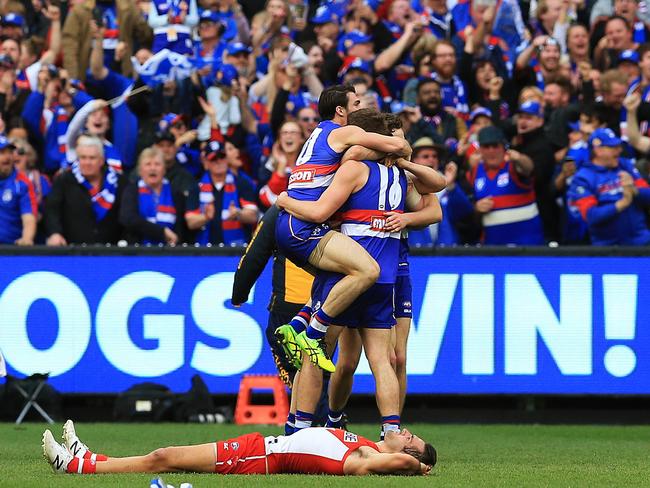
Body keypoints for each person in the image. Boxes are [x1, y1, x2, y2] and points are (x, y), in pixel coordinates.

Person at [277, 109, 442, 439]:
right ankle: (391, 431)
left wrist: (285, 201)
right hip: (385, 277)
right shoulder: (400, 178)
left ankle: (299, 432)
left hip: (348, 271)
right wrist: (401, 156)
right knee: (382, 359)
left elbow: (322, 209)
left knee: (317, 352)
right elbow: (438, 188)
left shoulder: (350, 169)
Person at [274, 84, 413, 374]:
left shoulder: (316, 136)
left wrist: (286, 200)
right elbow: (401, 147)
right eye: (356, 102)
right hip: (304, 224)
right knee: (367, 270)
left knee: (336, 279)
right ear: (341, 110)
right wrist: (284, 201)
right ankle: (312, 334)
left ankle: (298, 324)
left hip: (290, 227)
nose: (361, 107)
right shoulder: (344, 132)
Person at [43, 420, 436, 476]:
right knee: (162, 456)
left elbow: (397, 461)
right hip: (258, 446)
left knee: (164, 458)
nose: (404, 433)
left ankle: (74, 467)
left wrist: (417, 469)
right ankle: (86, 456)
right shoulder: (363, 442)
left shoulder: (366, 459)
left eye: (411, 439)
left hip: (257, 457)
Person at [568, 127, 650, 245]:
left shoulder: (625, 165)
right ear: (598, 150)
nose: (619, 151)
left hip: (642, 240)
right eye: (613, 148)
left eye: (618, 146)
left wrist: (634, 190)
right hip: (609, 247)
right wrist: (621, 204)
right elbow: (590, 216)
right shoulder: (583, 178)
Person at [468, 126, 544, 245]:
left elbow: (528, 168)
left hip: (527, 245)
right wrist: (477, 209)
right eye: (486, 147)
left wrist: (519, 158)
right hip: (494, 247)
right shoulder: (475, 171)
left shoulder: (514, 166)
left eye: (495, 146)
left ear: (504, 147)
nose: (491, 151)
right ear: (480, 150)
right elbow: (469, 207)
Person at [45, 135, 125, 245]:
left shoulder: (118, 182)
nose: (87, 162)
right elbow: (52, 210)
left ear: (101, 161)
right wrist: (55, 233)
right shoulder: (64, 180)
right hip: (73, 250)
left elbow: (126, 216)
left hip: (111, 251)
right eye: (83, 158)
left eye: (92, 158)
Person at [119, 147, 194, 245]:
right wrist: (161, 232)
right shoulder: (131, 191)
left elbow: (181, 226)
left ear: (164, 169)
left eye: (157, 164)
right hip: (138, 252)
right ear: (140, 170)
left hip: (169, 252)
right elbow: (128, 218)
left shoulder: (175, 193)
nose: (152, 168)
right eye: (148, 164)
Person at [0, 136, 36, 245]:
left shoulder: (22, 183)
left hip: (10, 249)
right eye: (2, 153)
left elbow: (29, 217)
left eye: (9, 152)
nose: (7, 157)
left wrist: (27, 238)